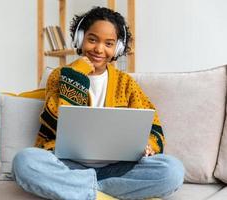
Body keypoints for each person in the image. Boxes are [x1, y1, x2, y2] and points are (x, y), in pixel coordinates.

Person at [12, 6, 184, 200]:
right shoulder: (59, 76)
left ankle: (82, 191)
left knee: (173, 171)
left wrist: (149, 144)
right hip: (67, 165)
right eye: (92, 39)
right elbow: (54, 123)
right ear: (80, 39)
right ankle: (103, 194)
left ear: (117, 48)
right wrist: (76, 75)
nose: (99, 49)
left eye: (109, 43)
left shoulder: (126, 83)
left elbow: (152, 123)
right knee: (25, 161)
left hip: (116, 168)